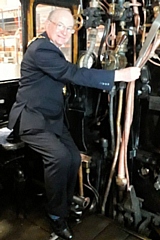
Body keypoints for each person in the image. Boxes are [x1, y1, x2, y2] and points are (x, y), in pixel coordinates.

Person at [7, 8, 141, 240]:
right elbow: (71, 73)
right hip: (31, 119)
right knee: (59, 157)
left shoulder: (50, 48)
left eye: (69, 28)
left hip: (51, 120)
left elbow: (67, 75)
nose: (65, 32)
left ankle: (65, 204)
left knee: (73, 157)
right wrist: (118, 75)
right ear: (48, 24)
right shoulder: (41, 48)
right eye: (60, 26)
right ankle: (56, 218)